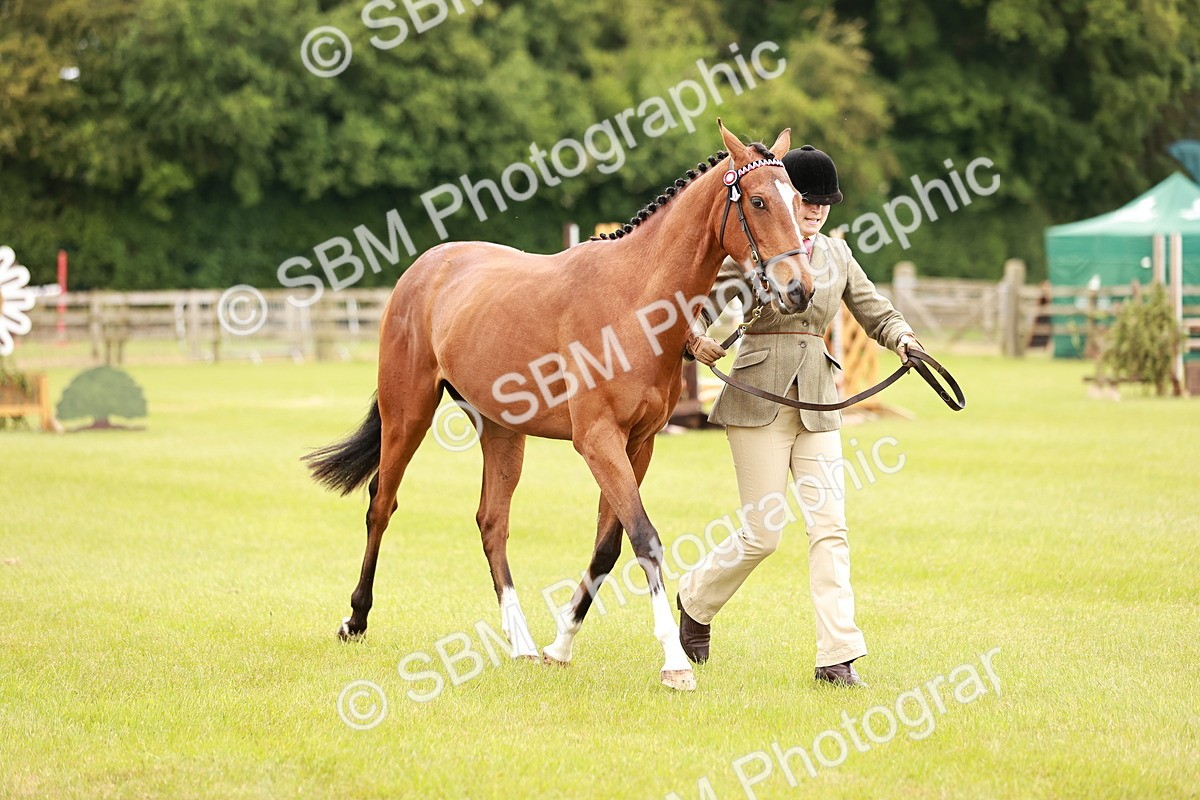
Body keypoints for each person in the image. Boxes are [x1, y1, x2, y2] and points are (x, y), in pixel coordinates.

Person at [676, 144, 924, 687]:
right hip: (758, 398)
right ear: (787, 197)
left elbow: (872, 307)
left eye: (824, 202)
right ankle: (694, 599)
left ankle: (837, 656)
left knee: (829, 527)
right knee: (762, 535)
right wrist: (696, 339)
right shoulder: (757, 246)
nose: (815, 210)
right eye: (807, 199)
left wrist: (904, 338)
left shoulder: (836, 255)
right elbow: (703, 309)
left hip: (818, 402)